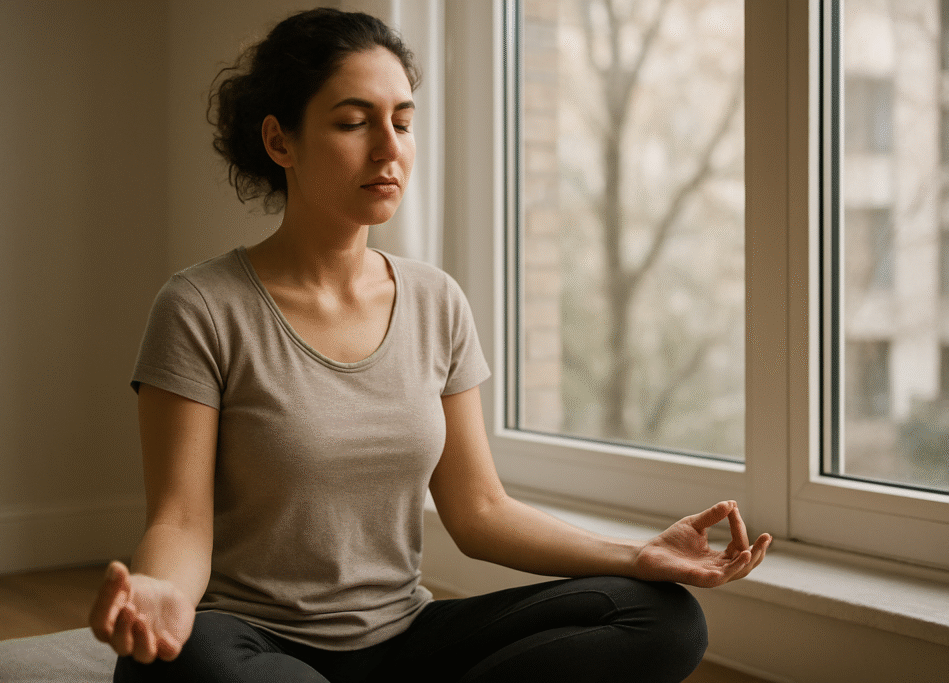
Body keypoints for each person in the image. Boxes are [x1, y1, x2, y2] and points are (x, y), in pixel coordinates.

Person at [89, 8, 771, 683]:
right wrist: (162, 595)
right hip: (254, 644)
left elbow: (479, 511)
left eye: (404, 122)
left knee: (664, 617)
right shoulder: (201, 306)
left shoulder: (435, 300)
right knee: (171, 664)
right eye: (354, 122)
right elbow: (180, 521)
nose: (389, 147)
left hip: (405, 640)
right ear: (280, 141)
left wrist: (637, 554)